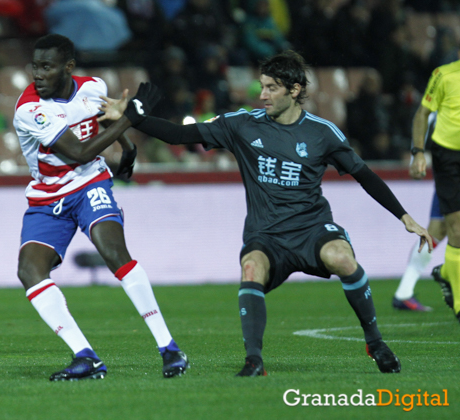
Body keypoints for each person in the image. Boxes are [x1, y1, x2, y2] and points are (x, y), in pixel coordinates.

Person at [99, 50, 433, 376]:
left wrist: (403, 216)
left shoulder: (322, 132)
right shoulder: (241, 125)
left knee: (343, 259)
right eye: (262, 86)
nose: (263, 95)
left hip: (312, 228)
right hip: (266, 234)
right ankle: (254, 360)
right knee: (251, 268)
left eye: (271, 87)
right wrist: (132, 117)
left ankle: (375, 343)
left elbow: (365, 175)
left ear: (295, 90)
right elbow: (181, 134)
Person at [13, 34, 188, 381]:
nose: (38, 74)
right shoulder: (30, 109)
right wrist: (133, 117)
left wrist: (127, 147)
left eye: (47, 67)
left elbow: (102, 119)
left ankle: (168, 348)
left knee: (113, 252)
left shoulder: (93, 87)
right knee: (29, 271)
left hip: (90, 183)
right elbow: (77, 152)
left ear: (68, 67)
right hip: (48, 198)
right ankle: (86, 357)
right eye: (35, 66)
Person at [410, 26, 460, 326]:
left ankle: (446, 272)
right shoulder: (445, 75)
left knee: (457, 230)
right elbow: (422, 113)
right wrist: (418, 151)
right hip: (450, 157)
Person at [392, 111, 442, 312]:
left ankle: (404, 292)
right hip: (455, 174)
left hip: (451, 174)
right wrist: (418, 152)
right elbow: (425, 116)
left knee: (438, 231)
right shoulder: (450, 87)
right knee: (440, 230)